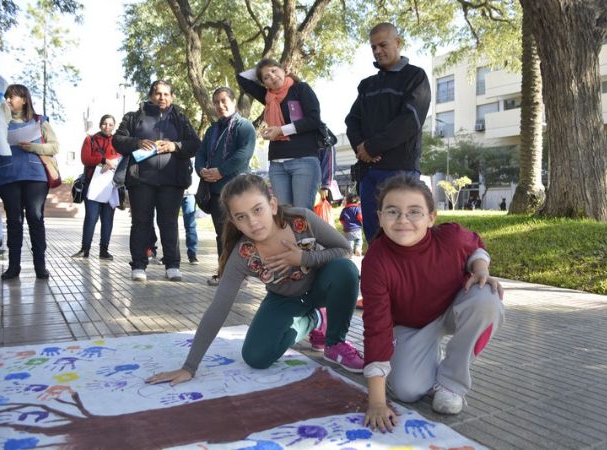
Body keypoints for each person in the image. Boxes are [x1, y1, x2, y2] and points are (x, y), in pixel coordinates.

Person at [145, 174, 364, 387]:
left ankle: (335, 342)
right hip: (285, 299)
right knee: (256, 357)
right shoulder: (242, 254)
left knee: (345, 270)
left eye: (258, 210)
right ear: (234, 222)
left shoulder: (301, 219)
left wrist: (304, 257)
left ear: (273, 205)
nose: (253, 222)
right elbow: (218, 308)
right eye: (241, 217)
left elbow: (344, 250)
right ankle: (315, 319)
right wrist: (189, 367)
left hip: (321, 287)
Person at [360, 174, 505, 432]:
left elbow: (475, 247)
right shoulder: (376, 260)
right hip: (411, 325)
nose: (403, 219)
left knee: (487, 298)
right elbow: (377, 328)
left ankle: (451, 382)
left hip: (452, 309)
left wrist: (481, 269)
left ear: (431, 218)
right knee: (407, 390)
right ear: (380, 217)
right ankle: (428, 355)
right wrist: (377, 402)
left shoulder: (450, 238)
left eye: (414, 212)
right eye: (393, 211)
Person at [345, 22, 431, 243]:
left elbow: (410, 120)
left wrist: (373, 147)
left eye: (382, 44)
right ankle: (377, 278)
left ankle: (407, 279)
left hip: (400, 171)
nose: (377, 51)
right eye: (373, 47)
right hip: (368, 173)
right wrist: (361, 149)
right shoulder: (367, 85)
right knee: (374, 238)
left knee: (403, 237)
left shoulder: (415, 77)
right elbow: (352, 120)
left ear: (398, 42)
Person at [112, 80, 200, 282]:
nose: (162, 98)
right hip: (140, 180)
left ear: (172, 97)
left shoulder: (180, 118)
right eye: (158, 94)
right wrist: (137, 142)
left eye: (166, 94)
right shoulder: (134, 117)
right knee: (141, 222)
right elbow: (117, 140)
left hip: (172, 181)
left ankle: (172, 265)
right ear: (151, 95)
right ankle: (139, 265)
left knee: (169, 223)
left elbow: (195, 144)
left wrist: (175, 146)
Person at [237, 59, 323, 209]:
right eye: (266, 77)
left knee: (300, 215)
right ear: (263, 83)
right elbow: (242, 78)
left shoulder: (300, 89)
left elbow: (313, 120)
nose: (272, 76)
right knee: (284, 215)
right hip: (277, 164)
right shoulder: (268, 97)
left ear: (283, 69)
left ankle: (307, 235)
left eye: (274, 70)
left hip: (303, 160)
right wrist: (260, 68)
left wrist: (281, 130)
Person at [195, 86, 256, 286]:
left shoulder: (244, 126)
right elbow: (201, 154)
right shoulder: (212, 130)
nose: (220, 106)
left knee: (239, 233)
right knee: (222, 233)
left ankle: (241, 275)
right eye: (216, 102)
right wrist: (202, 170)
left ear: (233, 101)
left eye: (224, 101)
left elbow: (243, 154)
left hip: (236, 189)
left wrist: (220, 171)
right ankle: (225, 273)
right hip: (214, 191)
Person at [0, 84, 59, 280]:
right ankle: (13, 267)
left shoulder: (40, 121)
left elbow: (54, 147)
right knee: (14, 221)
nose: (8, 100)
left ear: (24, 99)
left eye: (12, 97)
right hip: (8, 176)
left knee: (35, 217)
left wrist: (33, 147)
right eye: (6, 97)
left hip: (35, 176)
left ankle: (40, 266)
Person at [71, 114, 119, 260]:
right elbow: (86, 158)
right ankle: (85, 249)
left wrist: (111, 163)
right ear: (100, 125)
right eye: (104, 123)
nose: (107, 127)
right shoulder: (90, 139)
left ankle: (104, 250)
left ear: (114, 126)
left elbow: (121, 159)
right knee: (91, 217)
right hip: (92, 184)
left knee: (108, 219)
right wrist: (104, 160)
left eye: (110, 124)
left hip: (110, 186)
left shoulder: (118, 141)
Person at [181, 165, 199, 264]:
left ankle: (192, 254)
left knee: (190, 224)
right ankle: (169, 256)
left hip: (190, 193)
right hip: (174, 191)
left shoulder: (194, 152)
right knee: (170, 225)